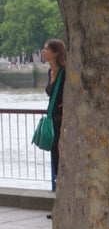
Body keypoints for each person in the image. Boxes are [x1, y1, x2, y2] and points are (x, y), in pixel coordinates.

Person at [41, 38, 66, 186]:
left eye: (47, 49)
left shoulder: (64, 72)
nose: (43, 52)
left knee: (60, 155)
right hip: (53, 119)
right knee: (55, 156)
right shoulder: (51, 71)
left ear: (56, 53)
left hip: (61, 120)